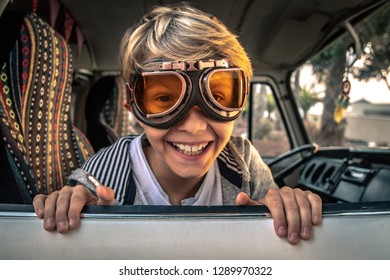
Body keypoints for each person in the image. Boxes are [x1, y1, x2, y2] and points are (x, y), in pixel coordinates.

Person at [33, 2, 322, 245]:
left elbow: (277, 219)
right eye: (164, 99)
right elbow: (69, 233)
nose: (194, 126)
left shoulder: (243, 161)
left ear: (241, 100)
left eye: (217, 95)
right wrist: (80, 220)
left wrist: (285, 206)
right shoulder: (99, 178)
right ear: (133, 107)